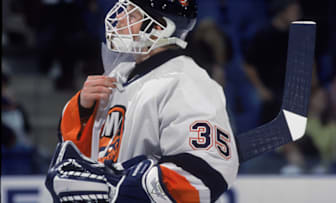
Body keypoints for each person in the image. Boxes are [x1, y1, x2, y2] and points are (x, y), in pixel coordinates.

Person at [45, 0, 239, 202]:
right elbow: (86, 160)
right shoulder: (118, 75)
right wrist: (83, 112)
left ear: (159, 28)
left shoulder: (188, 83)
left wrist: (121, 188)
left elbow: (204, 175)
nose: (119, 20)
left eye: (132, 16)